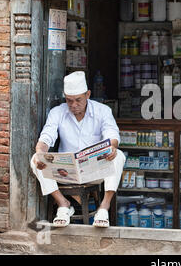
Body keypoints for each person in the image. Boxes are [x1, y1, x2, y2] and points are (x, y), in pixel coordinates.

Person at [31, 71, 125, 228]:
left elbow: (112, 134)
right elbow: (46, 137)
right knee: (35, 160)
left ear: (88, 94)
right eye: (69, 101)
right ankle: (63, 203)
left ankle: (104, 207)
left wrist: (111, 147)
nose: (73, 105)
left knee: (119, 156)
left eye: (78, 100)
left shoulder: (102, 111)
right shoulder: (57, 112)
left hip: (94, 171)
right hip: (66, 172)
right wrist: (40, 152)